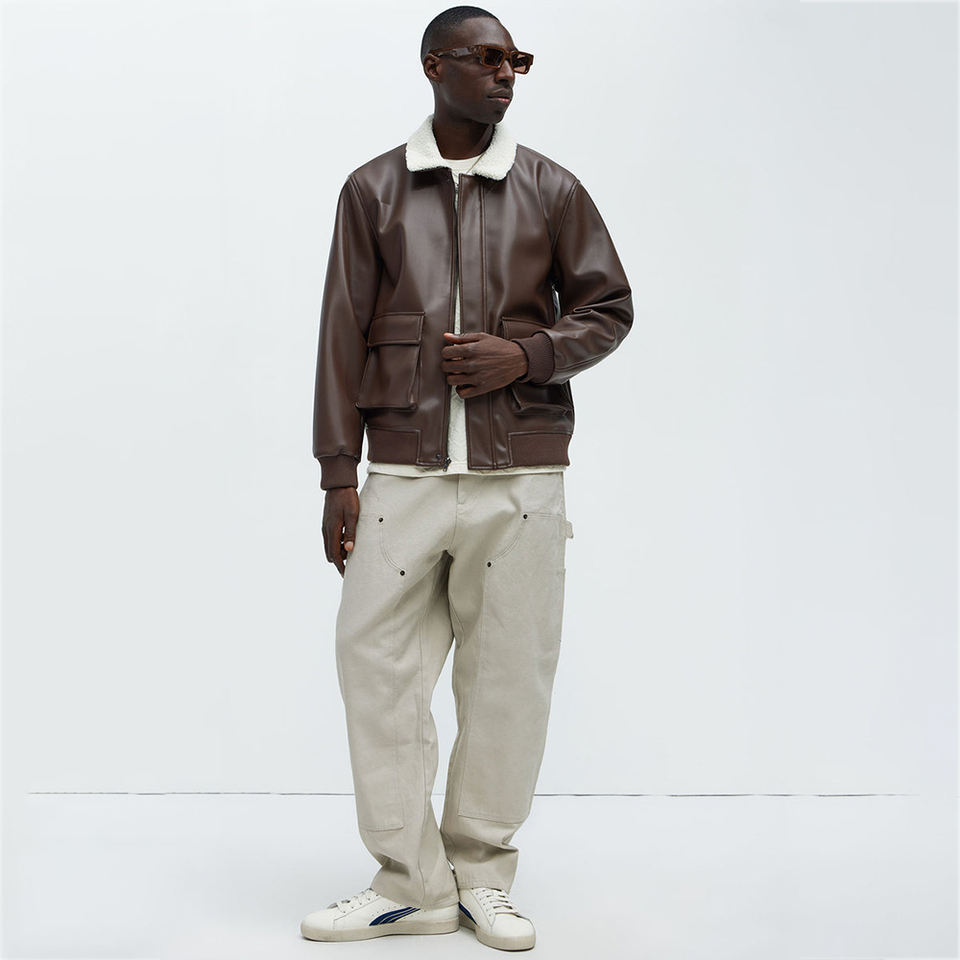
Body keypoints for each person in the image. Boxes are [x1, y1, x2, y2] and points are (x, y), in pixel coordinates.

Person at [302, 5, 633, 950]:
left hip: (520, 478)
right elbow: (339, 333)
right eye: (487, 58)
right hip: (400, 475)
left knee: (507, 683)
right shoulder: (372, 190)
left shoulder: (553, 189)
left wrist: (526, 356)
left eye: (515, 60)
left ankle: (482, 874)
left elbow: (609, 308)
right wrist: (337, 473)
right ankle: (411, 884)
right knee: (373, 666)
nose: (505, 74)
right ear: (433, 66)